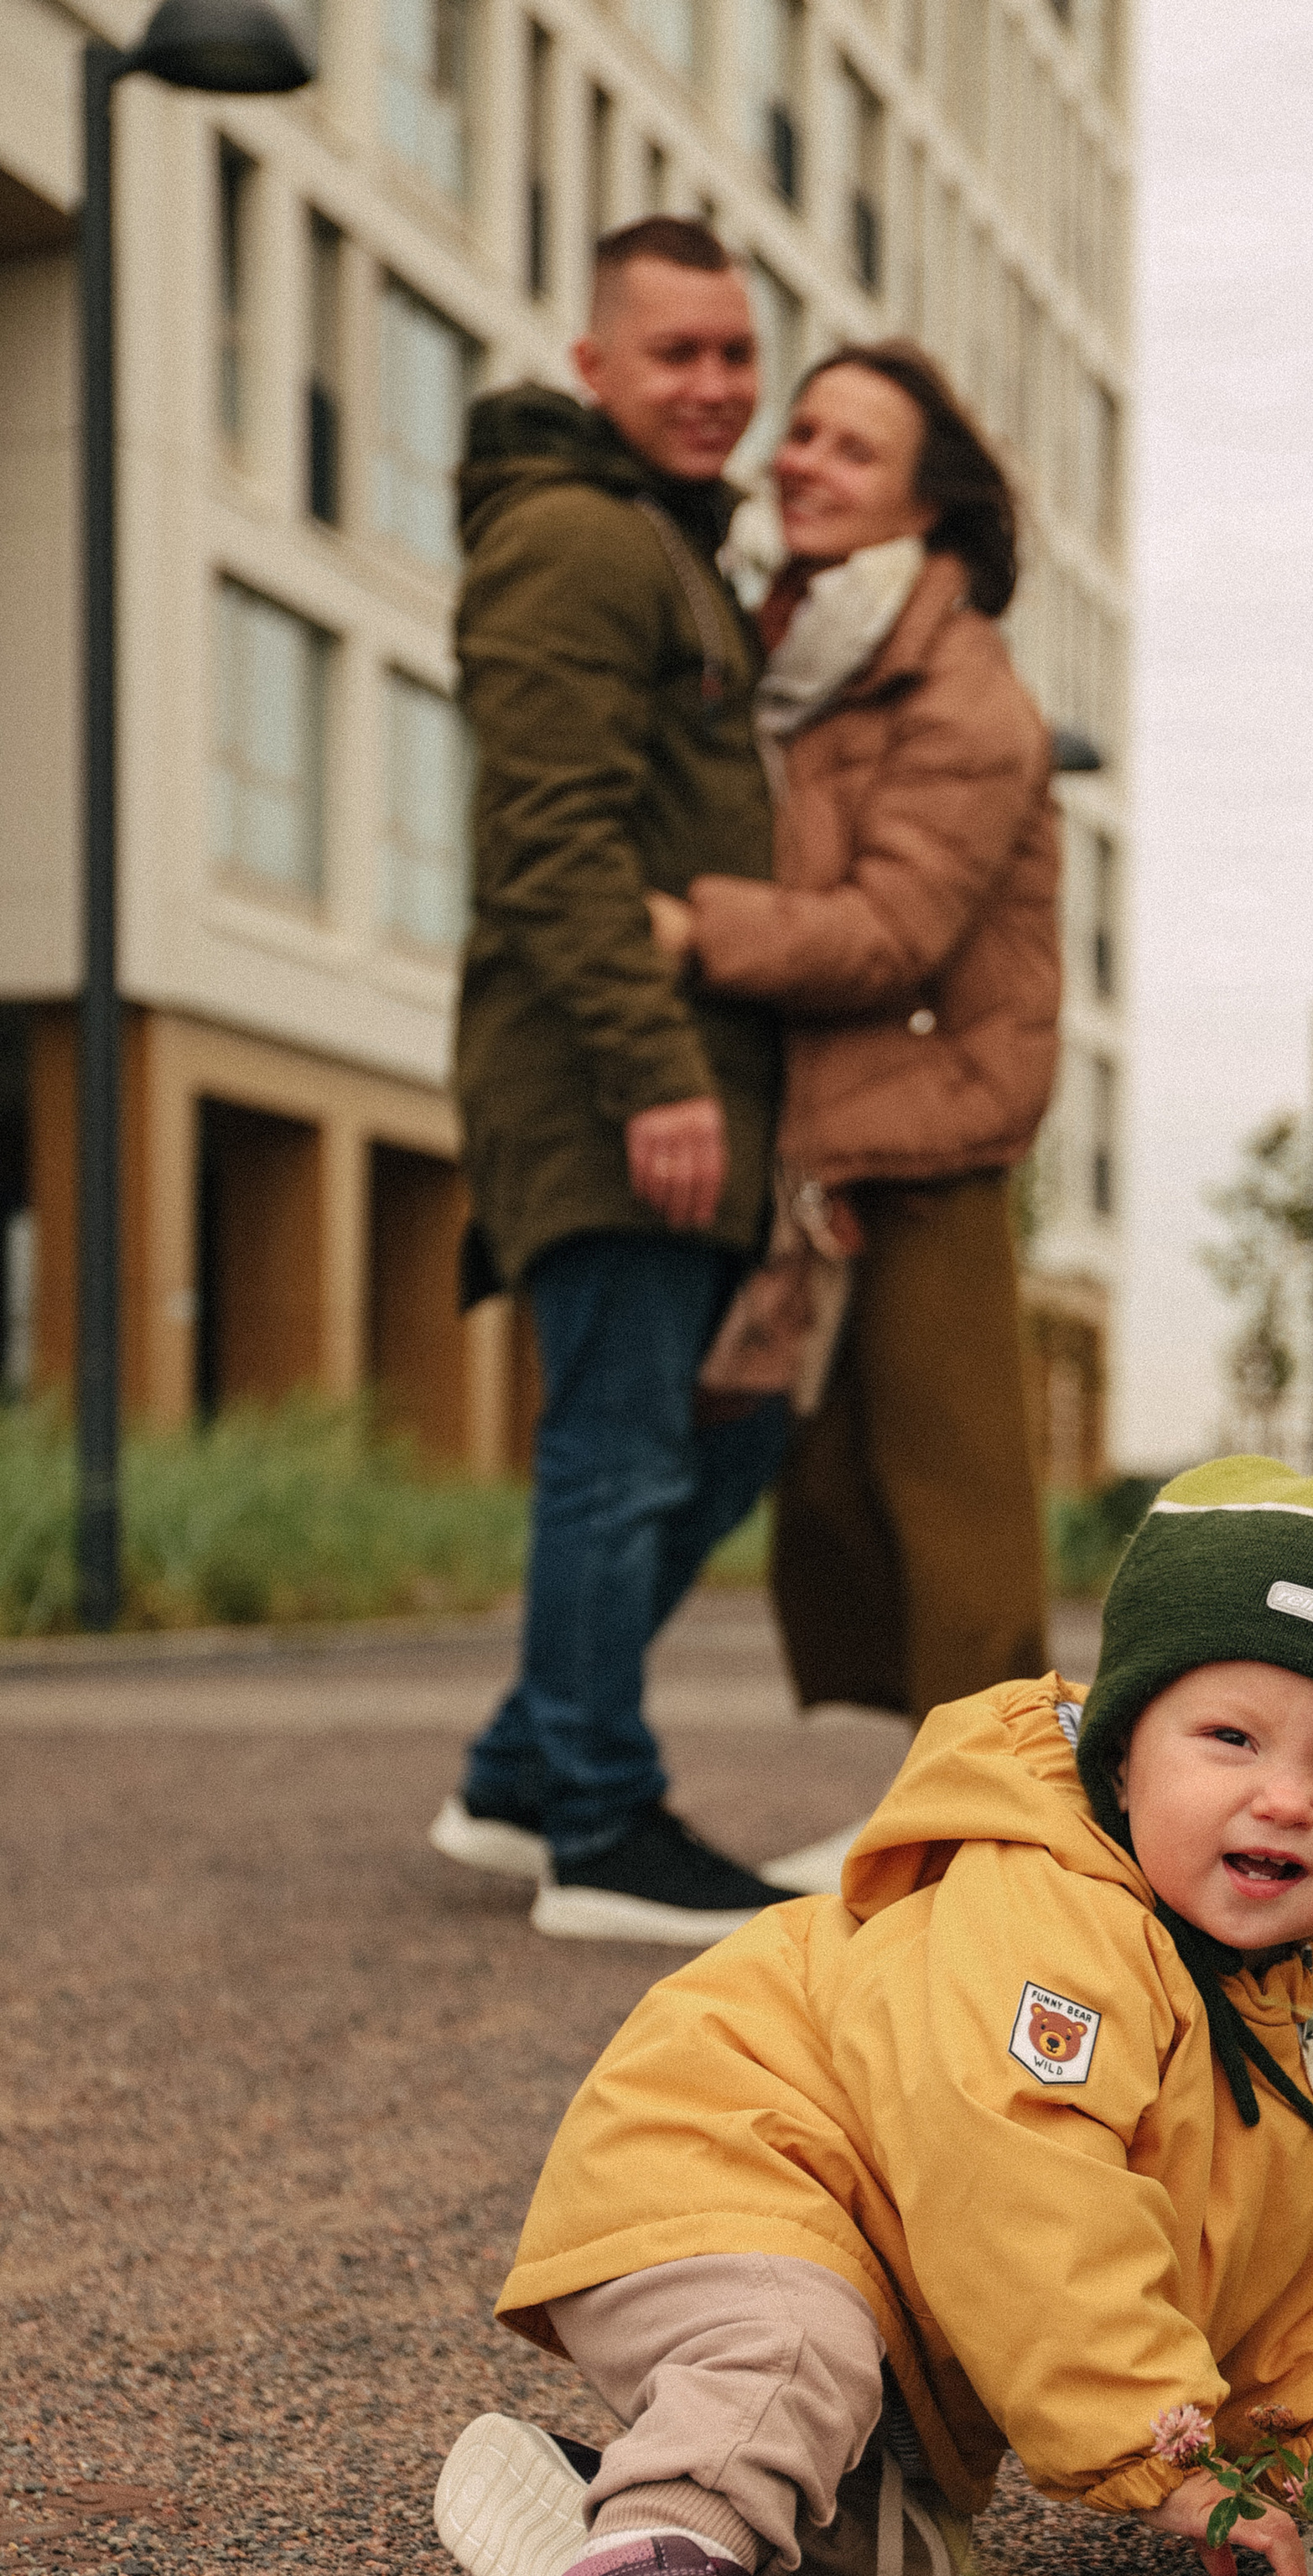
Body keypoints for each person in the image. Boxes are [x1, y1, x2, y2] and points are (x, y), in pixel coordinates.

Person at [431, 1457, 1313, 2576]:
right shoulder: (1047, 1914)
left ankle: (604, 2524)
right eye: (1230, 1739)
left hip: (895, 2269)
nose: (1286, 1799)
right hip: (737, 2155)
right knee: (788, 2356)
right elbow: (1020, 2183)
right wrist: (1156, 2452)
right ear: (1120, 1753)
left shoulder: (1308, 2015)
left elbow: (1294, 2274)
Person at [428, 215, 800, 1945]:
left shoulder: (659, 542)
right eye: (676, 354)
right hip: (603, 1073)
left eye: (735, 353)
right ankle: (596, 1823)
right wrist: (657, 1077)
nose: (715, 386)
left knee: (711, 1437)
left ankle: (520, 1778)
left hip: (667, 1069)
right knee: (623, 1452)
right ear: (593, 367)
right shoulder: (578, 541)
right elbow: (550, 837)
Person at [650, 340, 1060, 1722]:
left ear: (924, 506)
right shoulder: (804, 649)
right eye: (804, 432)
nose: (804, 462)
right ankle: (918, 1808)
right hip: (833, 1121)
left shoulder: (961, 694)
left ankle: (993, 1832)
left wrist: (700, 928)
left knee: (955, 1493)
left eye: (852, 450)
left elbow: (893, 929)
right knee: (839, 1489)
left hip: (930, 1119)